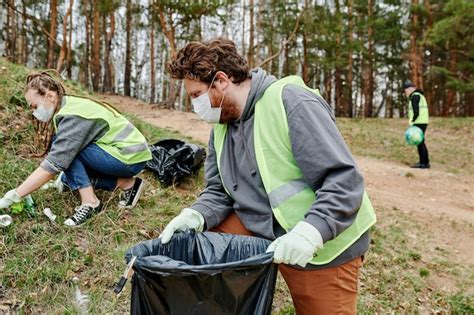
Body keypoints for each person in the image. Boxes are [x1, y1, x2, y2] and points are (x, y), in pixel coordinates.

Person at [159, 38, 376, 314]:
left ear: (222, 81)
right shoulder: (221, 126)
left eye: (196, 95)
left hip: (323, 241)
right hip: (262, 225)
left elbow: (344, 182)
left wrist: (311, 233)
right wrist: (197, 215)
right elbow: (218, 190)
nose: (195, 106)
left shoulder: (291, 102)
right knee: (207, 243)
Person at [0, 71, 151, 226]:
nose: (33, 112)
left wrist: (15, 195)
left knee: (67, 153)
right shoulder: (68, 106)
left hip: (128, 157)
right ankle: (128, 184)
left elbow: (53, 165)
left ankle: (90, 203)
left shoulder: (72, 117)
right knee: (68, 178)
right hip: (128, 155)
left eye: (34, 106)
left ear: (50, 96)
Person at [403, 80, 430, 169]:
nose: (405, 92)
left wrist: (413, 121)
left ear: (410, 89)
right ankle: (425, 162)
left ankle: (423, 163)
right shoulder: (420, 96)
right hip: (423, 121)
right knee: (421, 142)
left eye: (405, 90)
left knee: (420, 142)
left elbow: (416, 111)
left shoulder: (415, 97)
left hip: (419, 122)